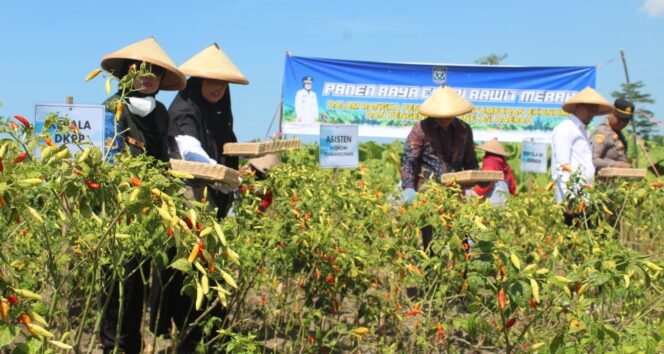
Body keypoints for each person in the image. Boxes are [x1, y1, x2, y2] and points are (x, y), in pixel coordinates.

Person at [154, 43, 248, 352]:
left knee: (208, 263)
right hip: (189, 200)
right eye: (211, 81)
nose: (218, 88)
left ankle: (207, 331)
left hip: (211, 200)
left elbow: (225, 147)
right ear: (198, 82)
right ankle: (189, 332)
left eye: (222, 83)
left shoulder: (219, 114)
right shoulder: (184, 109)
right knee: (191, 263)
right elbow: (190, 148)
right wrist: (220, 172)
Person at [99, 37, 186, 354]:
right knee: (118, 285)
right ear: (125, 73)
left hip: (151, 214)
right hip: (121, 214)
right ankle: (115, 348)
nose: (148, 75)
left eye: (155, 72)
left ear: (162, 80)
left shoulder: (160, 112)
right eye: (140, 69)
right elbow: (109, 159)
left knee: (140, 285)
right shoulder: (113, 108)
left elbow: (165, 158)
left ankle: (133, 346)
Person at [400, 85, 478, 249]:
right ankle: (430, 274)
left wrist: (477, 177)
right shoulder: (420, 129)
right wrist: (408, 188)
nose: (444, 119)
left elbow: (470, 161)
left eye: (448, 116)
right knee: (431, 244)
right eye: (440, 116)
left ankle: (460, 273)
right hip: (428, 195)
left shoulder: (464, 130)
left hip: (455, 195)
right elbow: (409, 160)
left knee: (461, 240)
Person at [551, 87, 613, 225]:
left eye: (594, 110)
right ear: (578, 106)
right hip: (573, 199)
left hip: (583, 195)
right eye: (589, 109)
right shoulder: (566, 129)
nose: (592, 114)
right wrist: (572, 197)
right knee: (570, 238)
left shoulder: (581, 131)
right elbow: (562, 166)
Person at [590, 98, 634, 171]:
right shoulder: (602, 132)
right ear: (611, 112)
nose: (622, 123)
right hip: (604, 180)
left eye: (626, 120)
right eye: (620, 118)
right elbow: (592, 160)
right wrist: (618, 165)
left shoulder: (618, 133)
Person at [473, 138, 517, 205]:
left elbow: (487, 183)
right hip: (505, 203)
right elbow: (512, 186)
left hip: (492, 204)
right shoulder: (505, 165)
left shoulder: (489, 161)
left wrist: (475, 193)